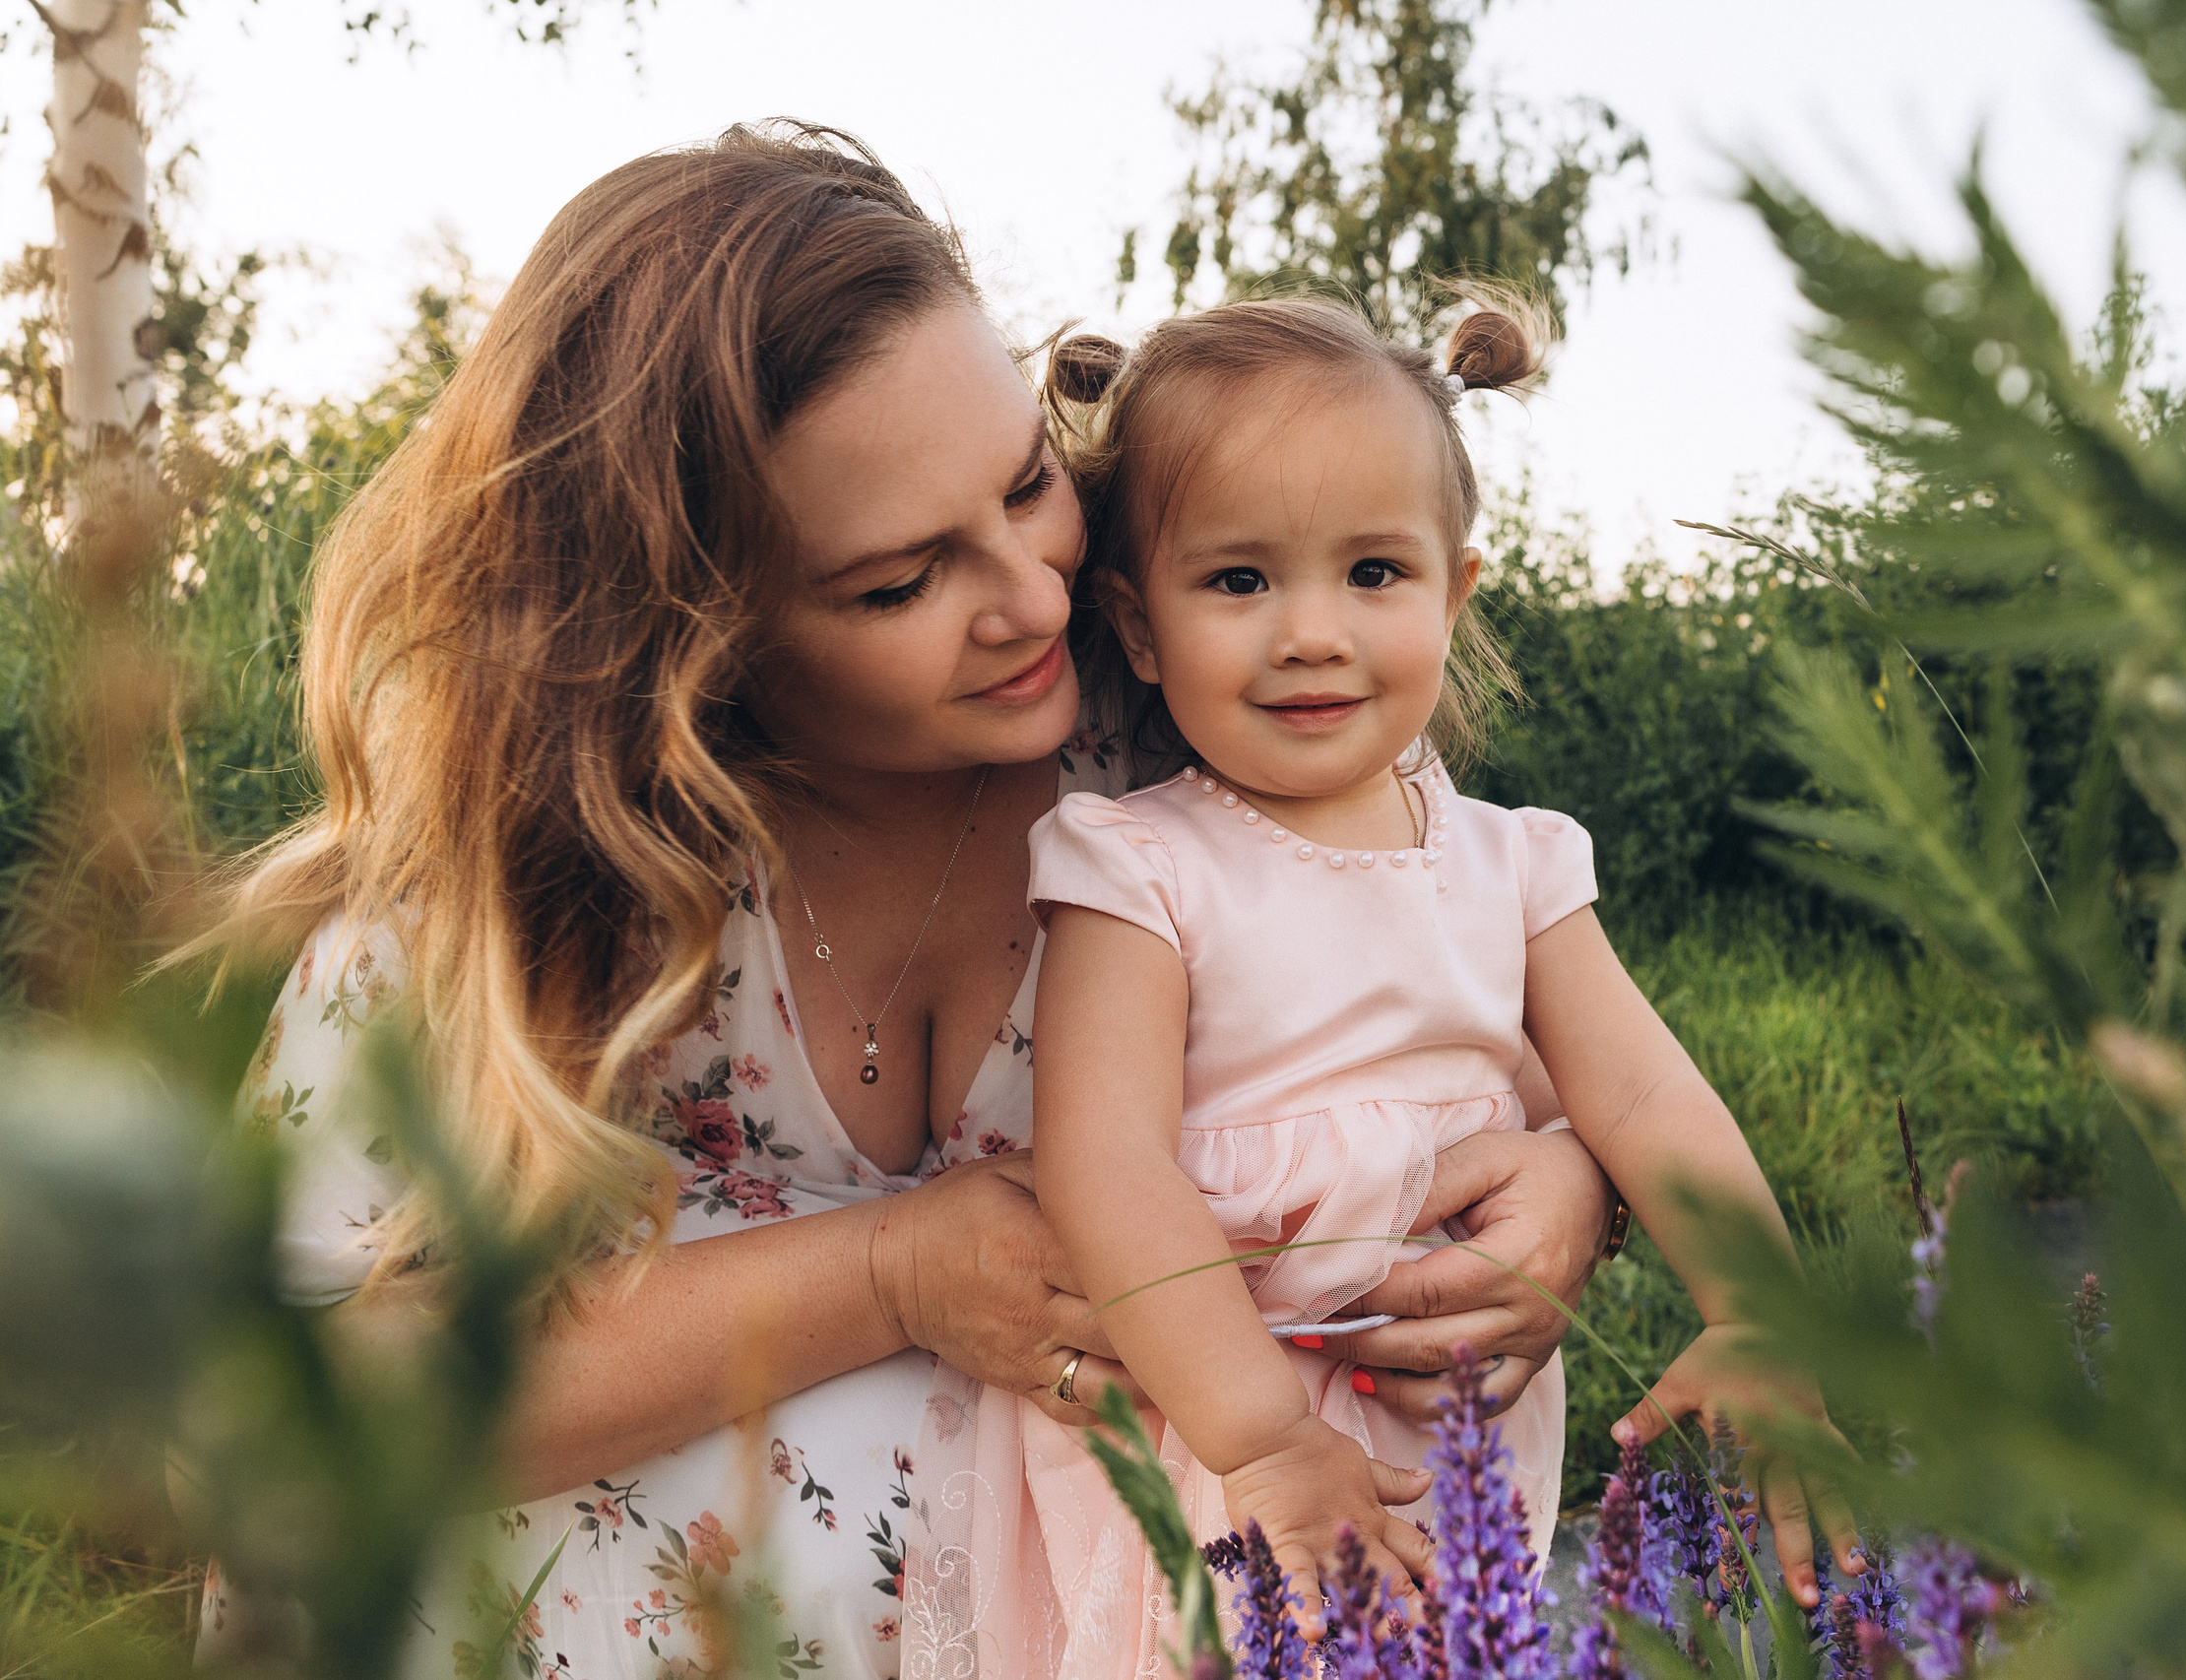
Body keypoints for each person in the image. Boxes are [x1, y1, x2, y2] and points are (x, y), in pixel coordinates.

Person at [191, 125, 1620, 1680]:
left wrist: (1574, 1191)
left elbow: (1505, 1021)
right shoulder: (531, 858)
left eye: (1026, 484)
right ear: (694, 629)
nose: (1032, 595)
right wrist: (890, 1273)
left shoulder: (1191, 714)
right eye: (899, 582)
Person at [923, 294, 1861, 1675]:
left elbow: (1644, 1092)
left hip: (1443, 1435)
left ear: (1453, 591)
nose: (1312, 632)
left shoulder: (1516, 863)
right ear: (1137, 622)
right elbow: (1104, 1159)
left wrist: (1758, 1307)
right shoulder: (1137, 863)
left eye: (1373, 571)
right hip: (1217, 1423)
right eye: (1238, 581)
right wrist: (1261, 1437)